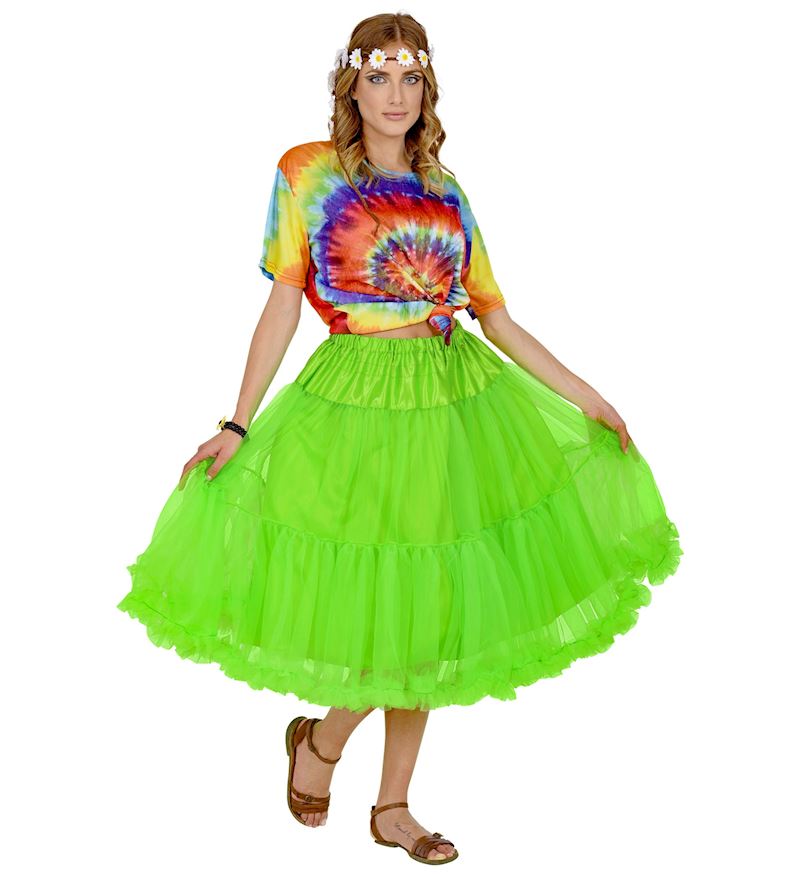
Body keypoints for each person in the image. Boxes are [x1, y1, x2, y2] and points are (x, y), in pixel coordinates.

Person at [117, 12, 682, 865]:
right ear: (351, 87)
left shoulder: (446, 190)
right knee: (387, 601)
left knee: (431, 605)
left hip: (452, 401)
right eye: (377, 77)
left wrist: (588, 396)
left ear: (428, 89)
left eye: (409, 78)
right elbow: (282, 302)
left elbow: (494, 315)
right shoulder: (307, 172)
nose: (394, 94)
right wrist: (236, 421)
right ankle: (323, 744)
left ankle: (390, 805)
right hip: (355, 402)